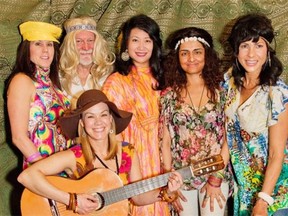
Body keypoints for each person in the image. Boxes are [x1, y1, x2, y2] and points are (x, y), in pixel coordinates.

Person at [17, 89, 183, 215]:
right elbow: (26, 176)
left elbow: (138, 198)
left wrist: (166, 192)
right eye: (90, 117)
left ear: (111, 119)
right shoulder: (74, 156)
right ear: (82, 123)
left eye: (103, 115)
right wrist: (72, 200)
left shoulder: (128, 152)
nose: (98, 122)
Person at [159, 27, 233, 216]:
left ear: (207, 55)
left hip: (215, 174)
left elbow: (229, 137)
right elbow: (165, 142)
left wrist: (216, 177)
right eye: (185, 53)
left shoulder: (222, 92)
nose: (191, 58)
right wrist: (170, 182)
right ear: (177, 58)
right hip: (181, 176)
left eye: (197, 52)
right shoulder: (169, 95)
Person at [102, 14, 168, 215]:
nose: (141, 47)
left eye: (147, 40)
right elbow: (110, 131)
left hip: (164, 158)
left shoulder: (165, 78)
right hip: (135, 162)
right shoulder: (116, 81)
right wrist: (123, 166)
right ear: (126, 45)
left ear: (155, 44)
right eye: (135, 40)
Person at [223, 13, 288, 215]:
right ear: (236, 50)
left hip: (274, 194)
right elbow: (229, 134)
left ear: (268, 50)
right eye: (244, 45)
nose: (251, 54)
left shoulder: (276, 93)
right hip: (244, 191)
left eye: (258, 45)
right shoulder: (229, 83)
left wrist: (263, 200)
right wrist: (215, 175)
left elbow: (277, 154)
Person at [6, 21, 72, 169]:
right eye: (38, 44)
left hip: (64, 169)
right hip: (42, 173)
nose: (45, 50)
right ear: (26, 49)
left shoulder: (53, 85)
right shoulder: (22, 80)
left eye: (49, 44)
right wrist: (43, 170)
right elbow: (19, 137)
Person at [59, 16, 115, 108]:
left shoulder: (109, 75)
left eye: (90, 40)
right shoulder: (58, 78)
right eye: (79, 41)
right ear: (70, 46)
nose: (86, 47)